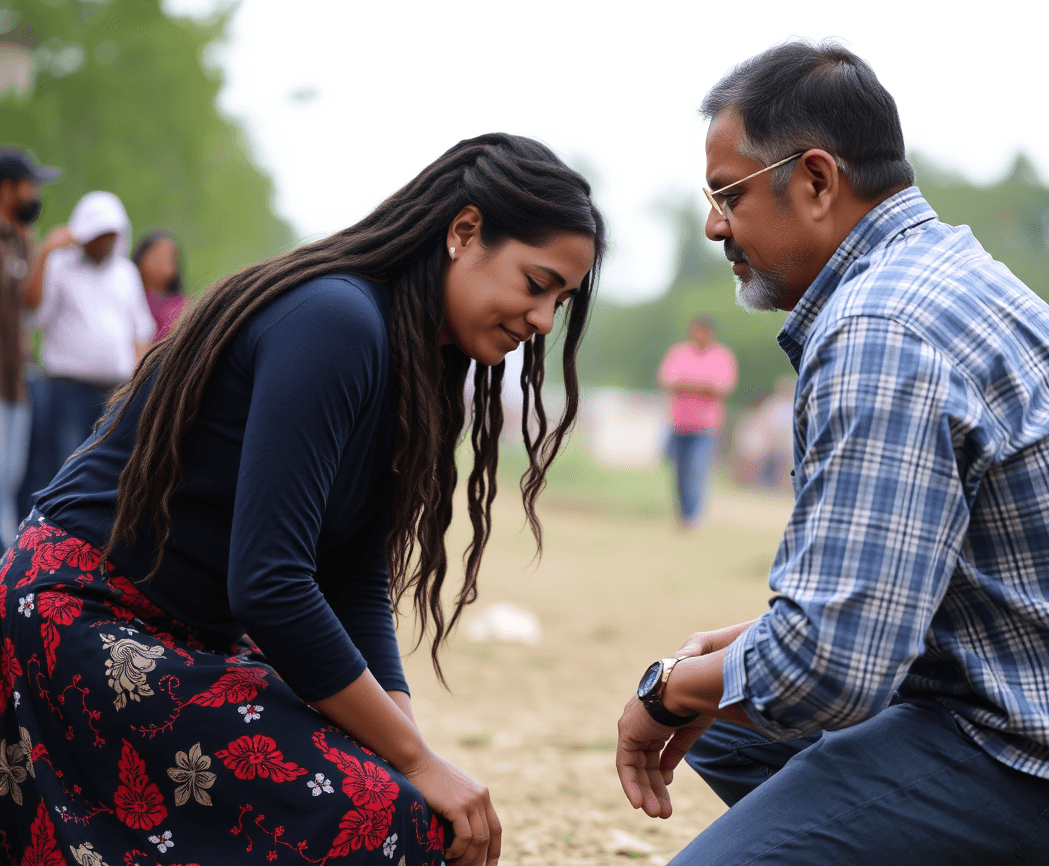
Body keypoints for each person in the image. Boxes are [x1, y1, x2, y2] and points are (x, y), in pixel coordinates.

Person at [0, 133, 605, 866]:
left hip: (191, 629)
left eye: (560, 302)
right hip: (86, 619)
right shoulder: (336, 322)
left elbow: (355, 576)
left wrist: (403, 743)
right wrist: (413, 765)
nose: (543, 320)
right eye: (536, 284)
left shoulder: (419, 362)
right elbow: (271, 584)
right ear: (465, 231)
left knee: (403, 795)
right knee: (385, 821)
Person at [615, 42, 1049, 864]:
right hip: (1039, 680)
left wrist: (663, 689)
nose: (714, 223)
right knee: (730, 732)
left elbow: (830, 669)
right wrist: (734, 659)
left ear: (817, 181)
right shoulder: (943, 274)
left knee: (722, 718)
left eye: (728, 194)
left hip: (1046, 752)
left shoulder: (881, 328)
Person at [20, 191, 156, 498]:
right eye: (98, 235)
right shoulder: (59, 265)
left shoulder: (126, 273)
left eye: (110, 235)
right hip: (67, 390)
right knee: (64, 468)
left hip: (115, 393)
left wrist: (141, 387)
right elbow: (32, 312)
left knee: (109, 473)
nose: (104, 242)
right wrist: (44, 254)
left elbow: (141, 331)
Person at [0, 148, 60, 548]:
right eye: (29, 184)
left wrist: (36, 249)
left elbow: (30, 302)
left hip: (15, 378)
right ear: (7, 188)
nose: (35, 193)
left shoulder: (19, 241)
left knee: (11, 477)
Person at [657, 317, 737, 526]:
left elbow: (723, 389)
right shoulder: (679, 352)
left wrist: (687, 384)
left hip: (706, 425)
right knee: (680, 471)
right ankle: (683, 512)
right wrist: (704, 386)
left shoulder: (722, 356)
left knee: (697, 468)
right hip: (679, 422)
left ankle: (693, 515)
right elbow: (667, 382)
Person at [132, 230, 187, 340]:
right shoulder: (131, 298)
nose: (164, 263)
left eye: (169, 258)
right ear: (141, 258)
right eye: (158, 257)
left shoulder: (182, 307)